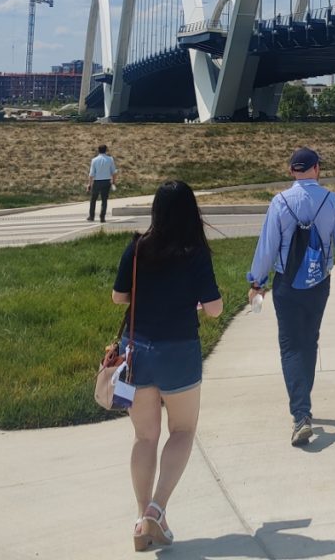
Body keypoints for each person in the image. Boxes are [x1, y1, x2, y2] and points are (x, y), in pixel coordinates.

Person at [110, 180, 223, 551]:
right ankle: (156, 510)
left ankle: (141, 519)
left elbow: (118, 297)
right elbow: (214, 309)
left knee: (144, 436)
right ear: (192, 212)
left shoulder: (137, 247)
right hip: (179, 350)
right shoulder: (195, 253)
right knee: (183, 430)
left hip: (136, 351)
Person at [247, 148, 335, 448]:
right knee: (309, 341)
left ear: (291, 171)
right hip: (319, 284)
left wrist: (257, 283)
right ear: (317, 169)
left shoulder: (280, 202)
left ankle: (301, 414)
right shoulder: (332, 201)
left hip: (286, 284)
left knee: (290, 346)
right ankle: (303, 405)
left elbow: (267, 247)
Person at [88, 143, 118, 222]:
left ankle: (91, 216)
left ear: (98, 150)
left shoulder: (94, 160)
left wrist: (89, 184)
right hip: (106, 181)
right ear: (106, 150)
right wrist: (113, 181)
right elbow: (114, 172)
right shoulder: (110, 159)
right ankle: (102, 217)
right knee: (104, 200)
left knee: (93, 199)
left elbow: (91, 174)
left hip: (97, 181)